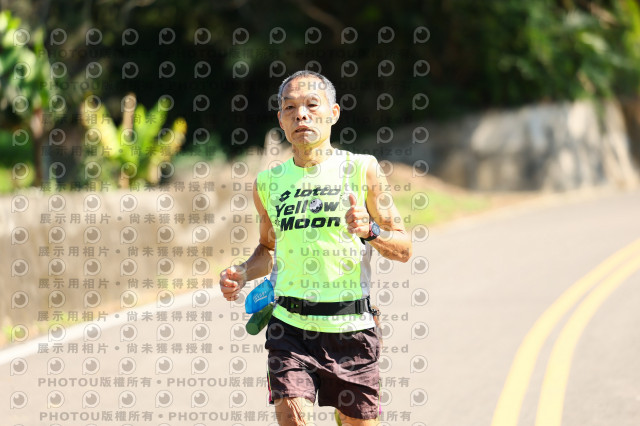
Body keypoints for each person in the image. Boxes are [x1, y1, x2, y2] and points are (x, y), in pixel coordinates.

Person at [219, 70, 412, 426]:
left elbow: (404, 248)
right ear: (281, 119)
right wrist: (243, 272)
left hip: (352, 328)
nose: (301, 115)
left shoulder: (362, 169)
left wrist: (370, 230)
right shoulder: (268, 183)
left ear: (333, 113)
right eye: (290, 108)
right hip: (290, 328)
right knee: (293, 419)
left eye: (311, 105)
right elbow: (267, 249)